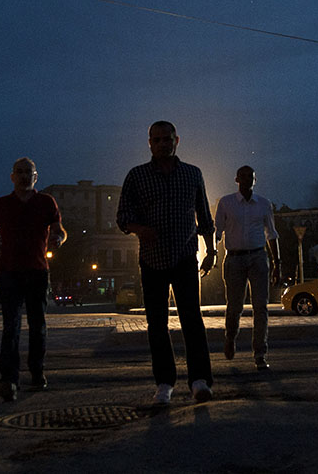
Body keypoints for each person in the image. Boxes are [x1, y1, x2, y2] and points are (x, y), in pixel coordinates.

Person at [117, 121, 216, 406]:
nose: (162, 144)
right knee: (156, 324)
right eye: (157, 139)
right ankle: (164, 384)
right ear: (149, 143)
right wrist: (141, 229)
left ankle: (199, 381)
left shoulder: (192, 174)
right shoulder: (136, 177)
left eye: (167, 139)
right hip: (152, 259)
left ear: (177, 141)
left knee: (192, 320)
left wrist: (211, 251)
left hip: (186, 256)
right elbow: (123, 216)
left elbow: (204, 217)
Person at [0, 157, 67, 402]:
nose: (25, 176)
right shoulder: (0, 204)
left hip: (37, 272)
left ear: (36, 177)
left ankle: (37, 372)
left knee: (38, 327)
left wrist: (59, 238)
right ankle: (9, 379)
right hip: (10, 273)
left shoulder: (46, 202)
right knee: (10, 327)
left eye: (29, 172)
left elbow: (60, 229)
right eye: (20, 172)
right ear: (12, 176)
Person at [214, 165, 281, 370]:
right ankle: (230, 337)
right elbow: (217, 231)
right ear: (236, 180)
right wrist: (211, 253)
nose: (246, 180)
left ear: (255, 180)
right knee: (235, 306)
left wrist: (277, 263)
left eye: (250, 177)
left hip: (258, 257)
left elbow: (272, 234)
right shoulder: (226, 203)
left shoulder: (263, 204)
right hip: (234, 259)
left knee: (261, 307)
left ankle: (260, 353)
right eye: (242, 177)